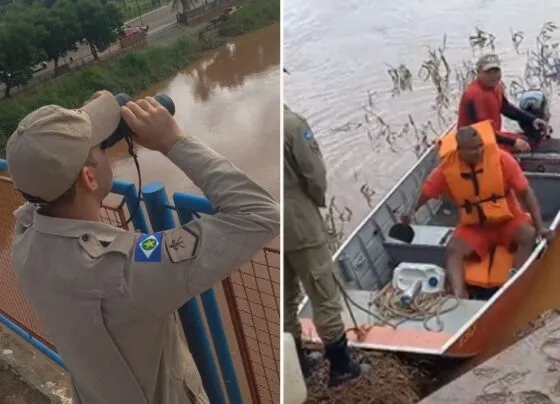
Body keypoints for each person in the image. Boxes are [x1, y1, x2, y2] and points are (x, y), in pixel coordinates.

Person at [6, 90, 280, 403]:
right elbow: (260, 214)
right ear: (88, 177)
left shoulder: (25, 240)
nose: (110, 150)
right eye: (102, 148)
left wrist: (74, 128)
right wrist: (172, 141)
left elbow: (39, 187)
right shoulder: (127, 270)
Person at [401, 121, 553, 299]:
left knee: (528, 234)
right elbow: (425, 193)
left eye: (481, 145)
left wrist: (541, 226)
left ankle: (516, 282)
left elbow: (526, 193)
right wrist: (411, 212)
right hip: (476, 227)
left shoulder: (502, 159)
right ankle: (460, 295)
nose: (480, 151)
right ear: (460, 151)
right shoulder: (446, 170)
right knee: (453, 250)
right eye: (473, 149)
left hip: (507, 220)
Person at [283, 104, 370, 386]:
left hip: (269, 224)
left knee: (284, 300)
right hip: (300, 225)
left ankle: (298, 364)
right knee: (324, 294)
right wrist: (314, 204)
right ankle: (341, 367)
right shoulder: (293, 124)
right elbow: (315, 175)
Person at [457, 53, 549, 153]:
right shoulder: (473, 95)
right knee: (524, 146)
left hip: (493, 135)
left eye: (496, 71)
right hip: (475, 143)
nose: (493, 76)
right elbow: (480, 132)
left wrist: (532, 119)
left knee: (533, 137)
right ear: (478, 72)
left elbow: (506, 108)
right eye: (488, 72)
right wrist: (513, 142)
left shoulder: (496, 87)